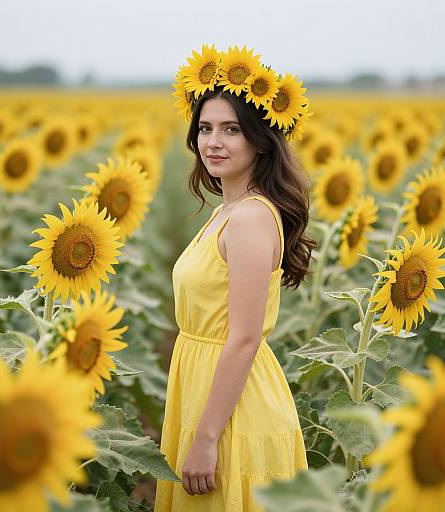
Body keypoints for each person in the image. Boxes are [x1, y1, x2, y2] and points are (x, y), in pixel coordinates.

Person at [154, 45, 316, 512]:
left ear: (261, 140)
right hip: (206, 393)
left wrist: (206, 438)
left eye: (231, 129)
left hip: (232, 414)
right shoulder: (228, 212)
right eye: (205, 129)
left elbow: (243, 338)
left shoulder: (247, 219)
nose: (213, 142)